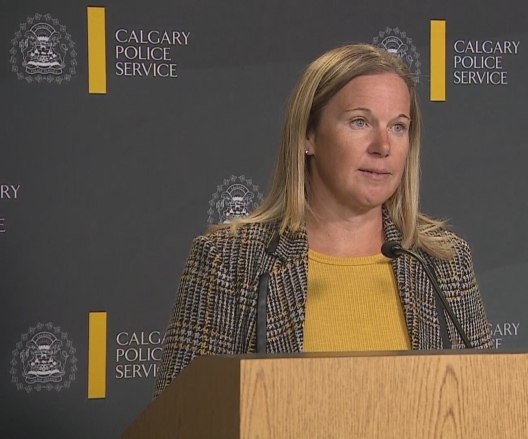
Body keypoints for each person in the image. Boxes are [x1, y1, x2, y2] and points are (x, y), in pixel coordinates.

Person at [153, 44, 492, 399]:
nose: (383, 146)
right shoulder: (229, 261)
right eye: (360, 122)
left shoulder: (444, 262)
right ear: (308, 135)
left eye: (398, 127)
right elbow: (179, 421)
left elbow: (483, 407)